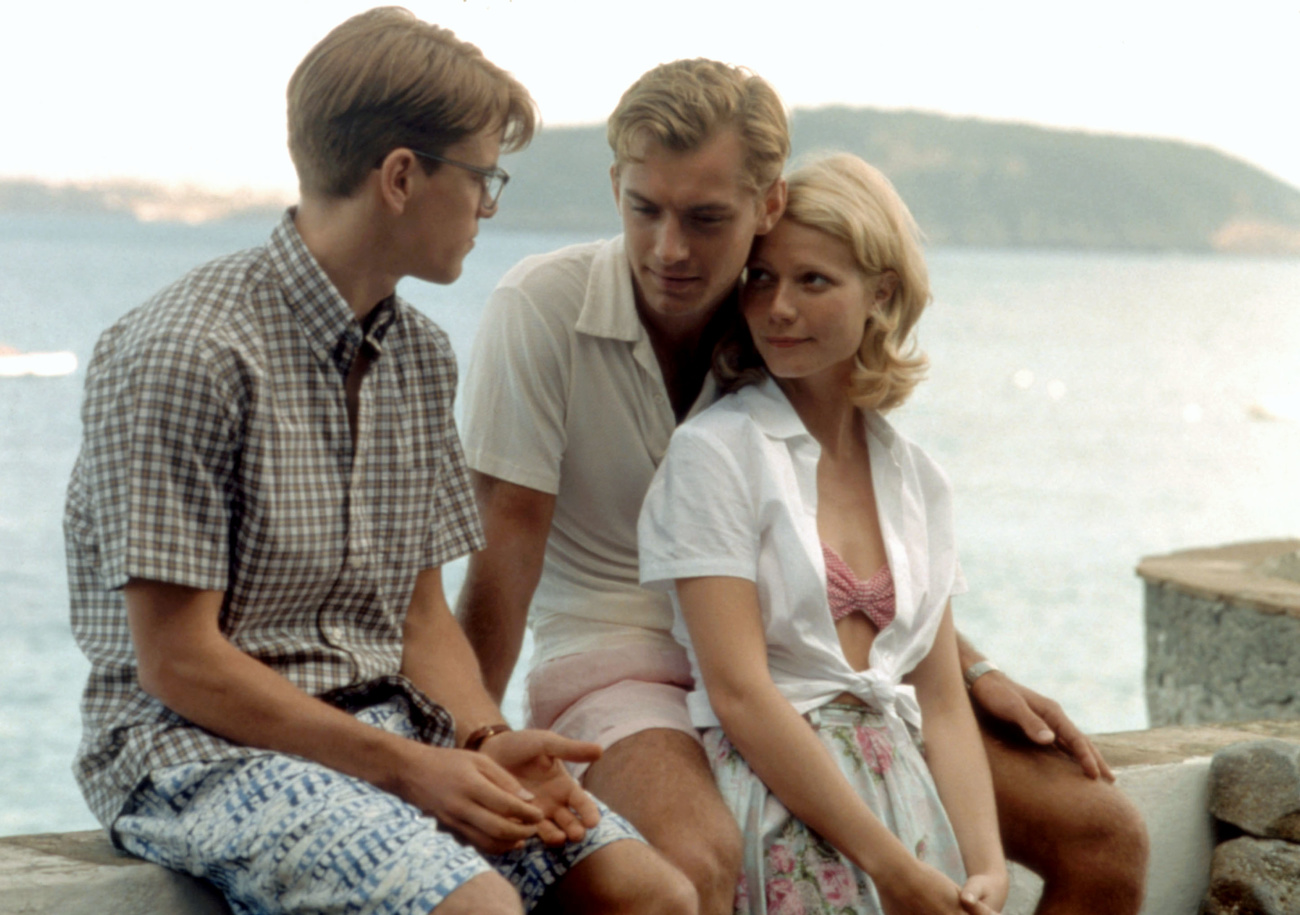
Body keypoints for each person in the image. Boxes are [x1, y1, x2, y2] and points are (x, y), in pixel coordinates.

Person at [457, 60, 1148, 915]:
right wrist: (468, 741)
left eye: (708, 219)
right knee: (693, 861)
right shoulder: (543, 306)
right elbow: (506, 543)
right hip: (625, 660)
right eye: (644, 209)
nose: (670, 249)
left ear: (768, 205)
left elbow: (832, 527)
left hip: (794, 657)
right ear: (615, 187)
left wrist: (970, 666)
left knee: (1105, 831)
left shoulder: (771, 322)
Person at [64, 9, 694, 915]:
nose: (488, 205)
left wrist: (481, 737)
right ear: (402, 176)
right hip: (191, 751)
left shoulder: (420, 354)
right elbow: (178, 664)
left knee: (647, 894)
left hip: (383, 726)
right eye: (482, 176)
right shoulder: (187, 352)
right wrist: (411, 770)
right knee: (478, 906)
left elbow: (422, 615)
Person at [638, 152, 1006, 914]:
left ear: (882, 293)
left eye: (813, 281)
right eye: (762, 278)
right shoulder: (718, 452)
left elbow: (939, 700)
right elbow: (740, 693)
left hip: (909, 809)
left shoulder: (916, 479)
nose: (776, 308)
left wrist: (987, 863)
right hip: (784, 811)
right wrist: (890, 867)